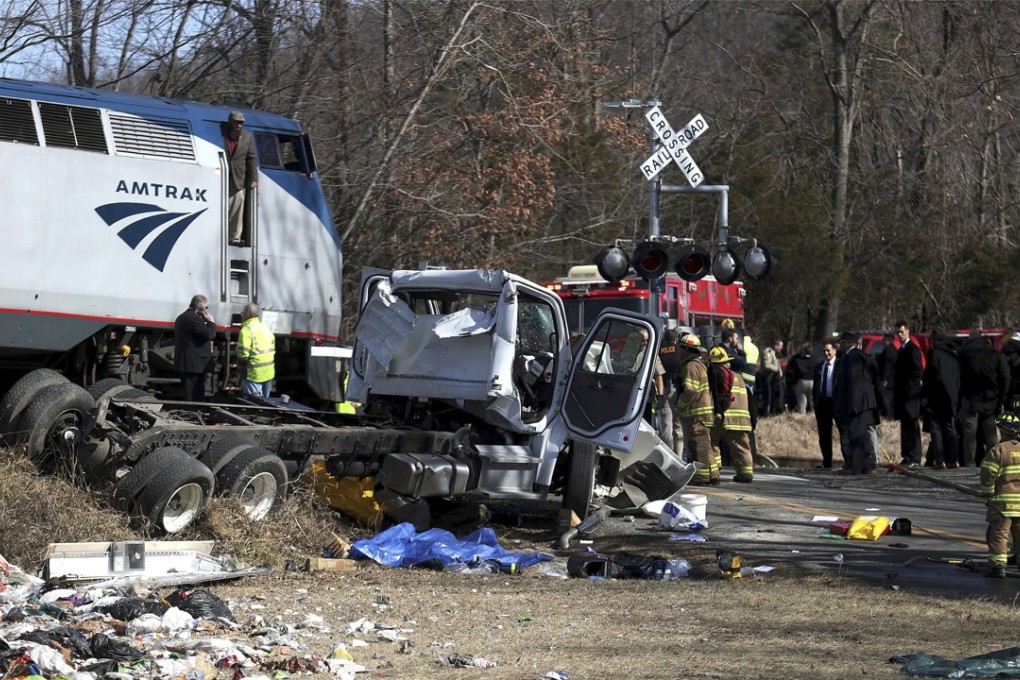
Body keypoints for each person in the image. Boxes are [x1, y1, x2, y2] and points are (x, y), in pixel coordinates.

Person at [833, 332, 884, 475]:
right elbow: (877, 382)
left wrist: (852, 404)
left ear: (849, 343)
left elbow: (854, 383)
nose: (839, 345)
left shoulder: (852, 358)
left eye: (842, 342)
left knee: (855, 436)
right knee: (863, 436)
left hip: (857, 403)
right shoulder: (866, 357)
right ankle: (865, 465)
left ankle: (855, 466)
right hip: (867, 403)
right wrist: (878, 403)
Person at [958, 330, 1010, 467]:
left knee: (970, 433)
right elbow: (1005, 375)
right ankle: (994, 462)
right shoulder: (994, 353)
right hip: (990, 398)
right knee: (990, 432)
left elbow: (957, 376)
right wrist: (1001, 395)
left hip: (970, 398)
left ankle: (969, 463)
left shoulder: (963, 353)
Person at [979, 412, 1020, 579]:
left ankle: (998, 568)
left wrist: (988, 496)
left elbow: (988, 475)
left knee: (999, 535)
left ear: (1003, 431)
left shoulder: (998, 451)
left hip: (1002, 504)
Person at [675, 332, 717, 486]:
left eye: (681, 348)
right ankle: (713, 475)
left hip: (697, 413)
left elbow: (691, 390)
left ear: (687, 349)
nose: (679, 352)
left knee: (699, 446)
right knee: (705, 445)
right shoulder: (698, 364)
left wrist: (679, 406)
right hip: (703, 413)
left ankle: (701, 477)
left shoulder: (691, 366)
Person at [707, 346, 754, 483]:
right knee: (741, 446)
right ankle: (746, 474)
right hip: (742, 419)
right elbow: (750, 399)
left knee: (712, 442)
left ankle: (714, 473)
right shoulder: (739, 377)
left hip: (723, 416)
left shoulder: (716, 374)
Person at [921, 329, 960, 469]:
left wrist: (925, 396)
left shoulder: (934, 354)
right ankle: (954, 459)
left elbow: (929, 376)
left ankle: (940, 459)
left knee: (936, 429)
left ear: (934, 341)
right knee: (950, 428)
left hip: (936, 398)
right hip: (951, 397)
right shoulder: (953, 355)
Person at [223, 110, 258, 246]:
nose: (238, 125)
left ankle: (234, 237)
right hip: (222, 175)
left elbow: (251, 158)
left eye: (241, 122)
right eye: (236, 122)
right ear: (230, 122)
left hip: (238, 177)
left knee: (238, 204)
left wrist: (253, 178)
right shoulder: (221, 134)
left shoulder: (247, 137)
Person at [174, 294, 216, 401]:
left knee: (188, 390)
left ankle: (191, 411)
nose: (206, 311)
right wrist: (211, 322)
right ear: (199, 309)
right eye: (206, 308)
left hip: (186, 362)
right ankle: (193, 412)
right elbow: (209, 335)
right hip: (194, 364)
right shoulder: (195, 320)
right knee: (195, 393)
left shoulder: (181, 317)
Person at [893, 320, 924, 467]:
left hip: (911, 396)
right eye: (898, 332)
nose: (900, 335)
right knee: (905, 427)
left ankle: (915, 456)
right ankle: (907, 455)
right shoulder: (901, 350)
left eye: (902, 332)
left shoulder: (913, 349)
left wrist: (909, 388)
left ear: (908, 332)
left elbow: (917, 372)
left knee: (912, 426)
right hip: (902, 396)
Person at [236, 302, 276, 398]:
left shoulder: (247, 330)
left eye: (242, 313)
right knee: (266, 403)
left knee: (253, 403)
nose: (241, 315)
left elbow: (243, 353)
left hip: (253, 373)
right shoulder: (266, 328)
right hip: (268, 372)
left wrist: (240, 362)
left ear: (247, 314)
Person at [812, 341, 839, 468]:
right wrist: (815, 402)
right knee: (824, 433)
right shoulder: (820, 365)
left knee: (843, 432)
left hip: (836, 402)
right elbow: (816, 385)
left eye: (829, 350)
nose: (826, 353)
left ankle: (849, 461)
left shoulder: (840, 365)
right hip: (822, 403)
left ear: (834, 351)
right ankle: (827, 461)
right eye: (824, 351)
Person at [657, 328, 685, 452]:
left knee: (666, 427)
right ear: (676, 339)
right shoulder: (680, 350)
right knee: (678, 428)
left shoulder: (659, 351)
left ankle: (667, 457)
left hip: (663, 390)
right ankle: (678, 458)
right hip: (678, 391)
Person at [786, 342, 816, 415]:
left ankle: (803, 416)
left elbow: (793, 371)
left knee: (802, 401)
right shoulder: (814, 359)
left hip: (801, 381)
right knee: (812, 401)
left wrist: (793, 381)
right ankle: (813, 415)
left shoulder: (797, 359)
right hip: (812, 381)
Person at [758, 339, 784, 416]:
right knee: (768, 398)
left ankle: (771, 413)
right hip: (767, 378)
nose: (781, 348)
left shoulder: (773, 354)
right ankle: (767, 414)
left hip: (772, 379)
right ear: (776, 345)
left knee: (772, 397)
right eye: (780, 346)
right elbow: (767, 365)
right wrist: (777, 369)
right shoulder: (768, 352)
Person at [876, 333, 897, 419]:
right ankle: (891, 415)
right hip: (893, 380)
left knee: (886, 400)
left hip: (888, 381)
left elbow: (887, 366)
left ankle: (889, 416)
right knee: (891, 400)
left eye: (884, 340)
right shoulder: (895, 350)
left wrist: (885, 379)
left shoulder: (888, 351)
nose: (883, 342)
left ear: (887, 341)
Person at [1001, 331, 1020, 411]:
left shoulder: (1004, 349)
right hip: (1017, 379)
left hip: (1007, 379)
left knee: (1008, 399)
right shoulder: (1018, 351)